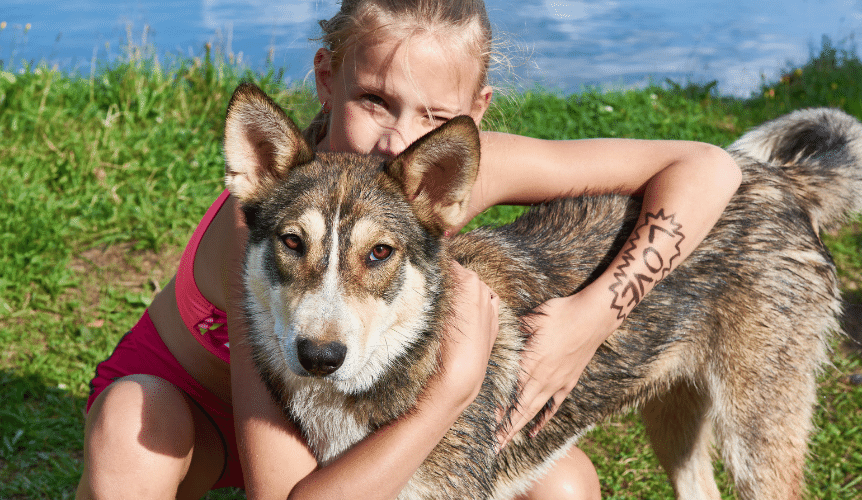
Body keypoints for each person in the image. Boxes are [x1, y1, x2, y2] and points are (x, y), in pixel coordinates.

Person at [76, 0, 742, 498]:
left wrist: (595, 314)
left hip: (339, 402)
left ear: (472, 115)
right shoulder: (273, 206)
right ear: (326, 79)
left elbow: (708, 167)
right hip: (204, 424)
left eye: (433, 116)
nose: (395, 140)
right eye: (374, 100)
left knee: (568, 486)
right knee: (136, 420)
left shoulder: (436, 172)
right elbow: (283, 490)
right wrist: (453, 389)